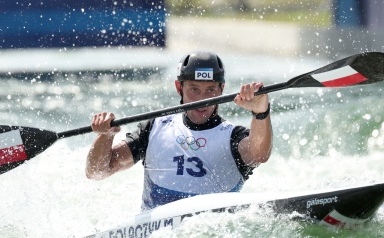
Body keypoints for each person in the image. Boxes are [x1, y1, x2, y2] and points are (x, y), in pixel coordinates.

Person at [86, 51, 272, 211]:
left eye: (210, 90)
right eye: (194, 89)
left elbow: (259, 154)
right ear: (179, 88)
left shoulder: (233, 136)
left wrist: (260, 113)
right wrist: (105, 135)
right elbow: (96, 172)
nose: (203, 99)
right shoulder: (154, 129)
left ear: (221, 89)